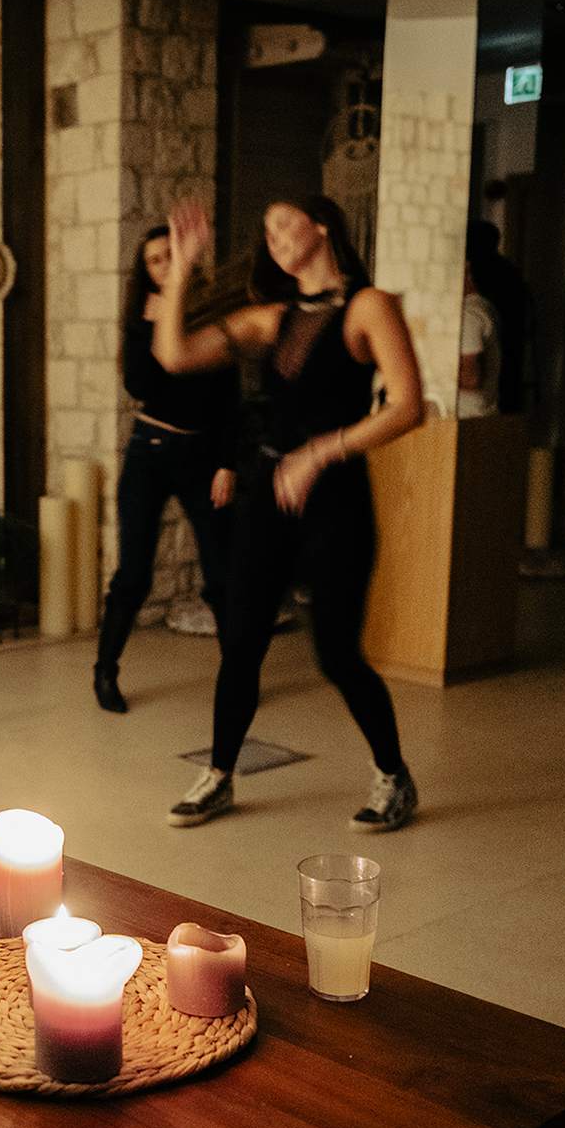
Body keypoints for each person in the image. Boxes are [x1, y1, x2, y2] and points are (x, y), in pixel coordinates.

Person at [150, 196, 426, 830]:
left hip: (335, 496)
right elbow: (175, 353)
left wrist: (320, 452)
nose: (270, 234)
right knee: (240, 642)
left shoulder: (368, 307)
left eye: (282, 221)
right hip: (268, 495)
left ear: (322, 225)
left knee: (336, 653)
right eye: (264, 225)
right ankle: (219, 774)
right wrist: (184, 269)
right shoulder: (274, 318)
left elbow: (409, 406)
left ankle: (393, 776)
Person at [93, 224, 241, 714]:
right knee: (133, 575)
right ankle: (105, 671)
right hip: (149, 455)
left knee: (221, 574)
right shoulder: (143, 319)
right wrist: (159, 326)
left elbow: (229, 399)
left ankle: (239, 677)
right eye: (154, 260)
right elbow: (142, 386)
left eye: (169, 256)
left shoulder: (218, 316)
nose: (162, 265)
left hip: (203, 460)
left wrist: (227, 463)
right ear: (147, 271)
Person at [465, 219, 531, 415]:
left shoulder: (481, 272)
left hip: (490, 339)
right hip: (508, 342)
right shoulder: (509, 271)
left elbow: (470, 377)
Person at [457, 259, 500, 418]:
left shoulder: (469, 314)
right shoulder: (485, 307)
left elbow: (470, 378)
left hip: (466, 419)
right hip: (480, 416)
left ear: (468, 273)